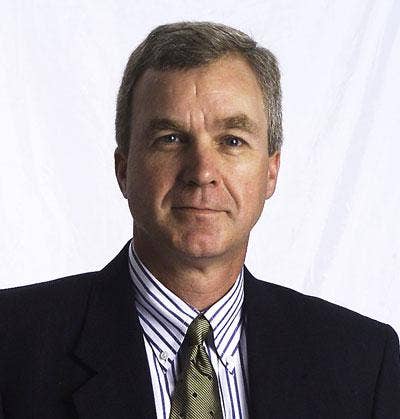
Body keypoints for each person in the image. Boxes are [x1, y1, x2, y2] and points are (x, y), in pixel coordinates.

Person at [0, 21, 399, 419]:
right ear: (123, 169)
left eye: (232, 141)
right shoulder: (12, 345)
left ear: (271, 171)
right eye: (170, 139)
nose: (202, 171)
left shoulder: (363, 362)